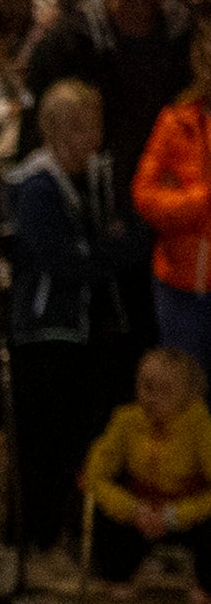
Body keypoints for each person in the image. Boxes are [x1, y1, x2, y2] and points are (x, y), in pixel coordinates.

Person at [7, 80, 139, 561]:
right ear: (62, 129)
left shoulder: (82, 184)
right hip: (46, 333)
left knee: (73, 444)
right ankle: (38, 542)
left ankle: (61, 540)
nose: (97, 137)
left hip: (77, 332)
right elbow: (65, 264)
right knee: (45, 445)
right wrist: (117, 249)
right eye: (87, 125)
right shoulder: (37, 188)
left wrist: (103, 250)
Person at [81, 347, 211, 601]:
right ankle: (122, 571)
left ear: (188, 394)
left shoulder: (201, 426)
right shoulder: (125, 419)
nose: (152, 398)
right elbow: (94, 473)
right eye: (146, 387)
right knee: (99, 507)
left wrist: (177, 515)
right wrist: (131, 508)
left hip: (186, 513)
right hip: (140, 511)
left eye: (165, 391)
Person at [135, 25, 211, 376]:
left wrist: (180, 195)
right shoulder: (175, 120)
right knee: (183, 399)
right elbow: (146, 197)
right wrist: (202, 200)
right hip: (178, 286)